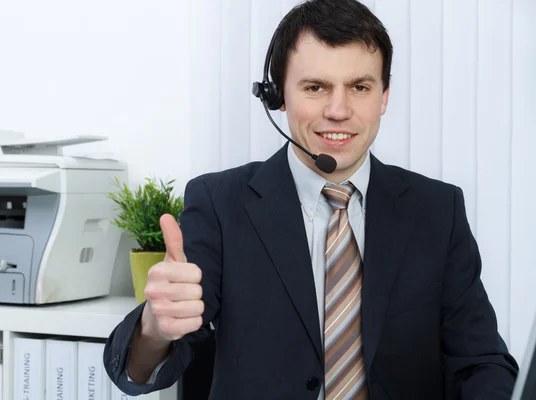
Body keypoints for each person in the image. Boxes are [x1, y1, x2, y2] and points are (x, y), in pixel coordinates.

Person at [104, 0, 519, 398]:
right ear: (278, 96)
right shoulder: (220, 202)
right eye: (316, 87)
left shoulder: (437, 210)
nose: (338, 110)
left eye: (359, 86)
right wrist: (155, 328)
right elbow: (140, 370)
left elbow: (480, 362)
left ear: (384, 97)